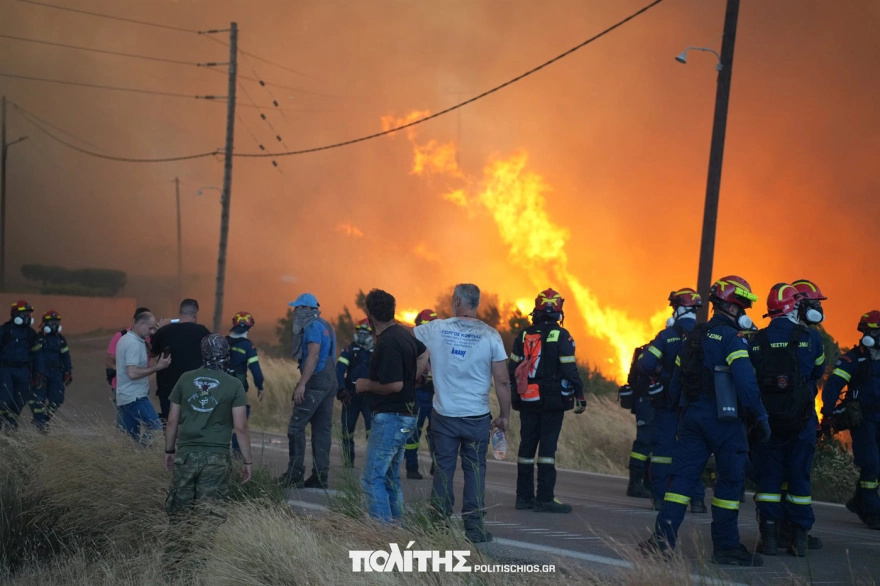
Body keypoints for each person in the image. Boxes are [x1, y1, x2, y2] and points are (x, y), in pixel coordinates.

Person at [640, 275, 770, 566]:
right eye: (743, 307)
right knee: (729, 483)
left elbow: (675, 382)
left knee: (681, 481)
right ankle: (725, 547)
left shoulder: (692, 337)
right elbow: (746, 381)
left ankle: (662, 542)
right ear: (734, 307)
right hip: (725, 422)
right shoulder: (732, 338)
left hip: (692, 420)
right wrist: (759, 415)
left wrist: (677, 414)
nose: (745, 313)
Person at [414, 283, 510, 542]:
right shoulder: (491, 335)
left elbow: (405, 339)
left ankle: (438, 525)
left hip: (443, 416)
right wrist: (504, 416)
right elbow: (502, 380)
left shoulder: (436, 329)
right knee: (475, 470)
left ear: (456, 301)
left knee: (443, 469)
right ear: (476, 304)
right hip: (476, 418)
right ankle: (475, 529)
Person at [163, 334, 252, 574]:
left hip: (186, 456)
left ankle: (171, 572)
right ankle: (196, 571)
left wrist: (170, 451)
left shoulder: (185, 379)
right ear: (226, 355)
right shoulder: (234, 384)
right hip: (216, 459)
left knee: (179, 516)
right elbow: (241, 427)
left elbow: (172, 421)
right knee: (207, 518)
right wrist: (247, 461)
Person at [749, 283, 825, 556]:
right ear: (795, 307)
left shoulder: (756, 340)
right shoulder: (811, 339)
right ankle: (800, 539)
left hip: (768, 423)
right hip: (801, 422)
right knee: (799, 480)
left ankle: (769, 538)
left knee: (769, 480)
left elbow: (751, 379)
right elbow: (817, 372)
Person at [508, 288, 585, 513]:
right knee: (547, 449)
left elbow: (513, 369)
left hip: (527, 399)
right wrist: (580, 394)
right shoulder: (562, 336)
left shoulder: (523, 336)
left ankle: (523, 498)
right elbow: (570, 369)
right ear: (558, 313)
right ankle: (545, 498)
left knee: (526, 447)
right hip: (553, 402)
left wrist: (515, 395)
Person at [356, 289, 427, 524]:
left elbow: (394, 385)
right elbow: (424, 351)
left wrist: (366, 384)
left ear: (370, 315)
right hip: (407, 417)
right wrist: (415, 376)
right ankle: (396, 529)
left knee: (372, 478)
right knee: (390, 477)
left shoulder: (387, 342)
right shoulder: (404, 334)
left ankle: (381, 532)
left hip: (391, 418)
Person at [637, 288, 706, 513]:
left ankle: (659, 498)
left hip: (667, 403)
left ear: (679, 309)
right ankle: (696, 500)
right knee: (692, 451)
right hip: (694, 404)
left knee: (663, 452)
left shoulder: (666, 336)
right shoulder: (705, 334)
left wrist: (661, 371)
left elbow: (645, 364)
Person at [821, 310, 880, 529]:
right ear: (866, 333)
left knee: (877, 466)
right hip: (862, 418)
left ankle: (858, 500)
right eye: (877, 331)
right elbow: (834, 385)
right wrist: (827, 413)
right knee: (871, 463)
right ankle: (873, 513)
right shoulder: (852, 359)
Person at [280, 293, 337, 489]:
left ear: (306, 309)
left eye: (297, 308)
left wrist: (302, 384)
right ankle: (320, 477)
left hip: (316, 380)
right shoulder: (325, 325)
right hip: (330, 380)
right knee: (322, 430)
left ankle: (294, 474)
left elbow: (312, 355)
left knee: (295, 428)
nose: (295, 312)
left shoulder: (312, 327)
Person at [150, 299, 212, 423]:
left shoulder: (164, 331)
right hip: (195, 386)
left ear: (179, 312)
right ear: (195, 315)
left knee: (170, 422)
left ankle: (170, 442)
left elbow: (152, 353)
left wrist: (158, 331)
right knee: (193, 421)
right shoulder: (203, 332)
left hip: (168, 387)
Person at [117, 310, 172, 444]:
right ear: (141, 324)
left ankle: (135, 459)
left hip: (126, 398)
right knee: (156, 427)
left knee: (131, 440)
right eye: (150, 328)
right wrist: (159, 367)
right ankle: (143, 453)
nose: (152, 332)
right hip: (135, 398)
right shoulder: (133, 344)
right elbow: (132, 373)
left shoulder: (129, 339)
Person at [404, 309, 439, 480]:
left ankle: (437, 464)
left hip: (436, 397)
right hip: (418, 395)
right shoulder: (412, 346)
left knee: (437, 433)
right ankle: (411, 467)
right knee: (413, 432)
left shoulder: (441, 347)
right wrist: (419, 379)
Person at [0, 300, 45, 430]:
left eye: (29, 315)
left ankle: (12, 422)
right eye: (24, 314)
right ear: (15, 315)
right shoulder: (4, 331)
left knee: (20, 399)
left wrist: (39, 372)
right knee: (5, 399)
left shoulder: (30, 334)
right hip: (5, 370)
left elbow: (37, 355)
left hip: (23, 371)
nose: (27, 317)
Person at [336, 317, 374, 468]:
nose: (363, 335)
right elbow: (339, 370)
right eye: (360, 331)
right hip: (350, 395)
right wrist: (341, 390)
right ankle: (347, 461)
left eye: (367, 332)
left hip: (370, 397)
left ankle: (372, 463)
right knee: (347, 430)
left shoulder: (376, 351)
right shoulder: (349, 350)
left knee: (372, 431)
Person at [226, 311, 265, 457]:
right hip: (238, 389)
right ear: (249, 328)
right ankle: (237, 455)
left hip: (220, 388)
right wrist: (260, 387)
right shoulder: (248, 347)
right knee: (239, 423)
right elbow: (255, 370)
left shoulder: (223, 341)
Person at [107, 307, 151, 431]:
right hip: (123, 387)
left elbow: (152, 355)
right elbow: (109, 360)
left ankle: (134, 448)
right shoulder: (121, 336)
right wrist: (123, 370)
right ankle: (124, 447)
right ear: (137, 321)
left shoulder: (148, 337)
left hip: (141, 387)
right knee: (123, 423)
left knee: (137, 423)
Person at [29, 310, 72, 431]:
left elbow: (66, 356)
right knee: (38, 400)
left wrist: (68, 371)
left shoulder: (61, 340)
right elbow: (33, 356)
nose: (54, 325)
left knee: (57, 398)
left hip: (56, 373)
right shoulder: (38, 339)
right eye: (51, 322)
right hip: (40, 374)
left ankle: (44, 418)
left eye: (56, 322)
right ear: (44, 324)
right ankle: (40, 423)